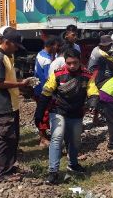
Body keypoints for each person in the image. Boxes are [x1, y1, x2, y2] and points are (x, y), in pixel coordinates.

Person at [35, 48, 90, 184]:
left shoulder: (87, 75)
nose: (72, 66)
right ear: (65, 62)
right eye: (69, 63)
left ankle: (73, 164)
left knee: (75, 140)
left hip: (76, 112)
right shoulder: (57, 74)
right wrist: (39, 112)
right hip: (58, 109)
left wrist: (94, 100)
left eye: (75, 63)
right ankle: (53, 172)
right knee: (57, 137)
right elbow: (46, 92)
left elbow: (92, 89)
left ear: (80, 62)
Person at [0, 29, 29, 182]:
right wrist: (20, 84)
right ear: (6, 42)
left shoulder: (6, 55)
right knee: (5, 140)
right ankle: (2, 173)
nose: (16, 49)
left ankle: (8, 167)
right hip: (2, 105)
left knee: (12, 138)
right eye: (15, 45)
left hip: (10, 104)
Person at [34, 36, 61, 147]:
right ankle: (43, 138)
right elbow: (48, 77)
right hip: (44, 91)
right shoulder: (47, 60)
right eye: (57, 46)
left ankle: (43, 136)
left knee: (42, 112)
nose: (58, 48)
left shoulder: (40, 53)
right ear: (52, 45)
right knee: (44, 114)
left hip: (38, 88)